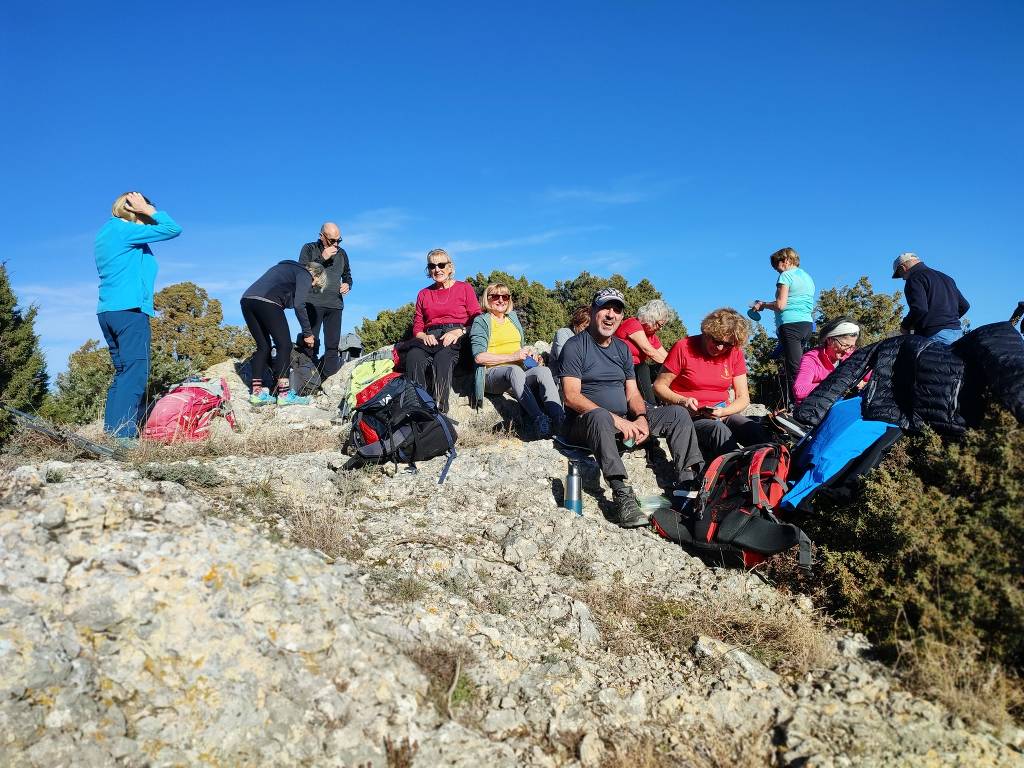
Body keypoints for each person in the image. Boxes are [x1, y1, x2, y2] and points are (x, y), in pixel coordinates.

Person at [560, 288, 704, 528]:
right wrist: (618, 421)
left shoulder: (622, 348)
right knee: (599, 416)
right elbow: (571, 396)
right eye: (605, 308)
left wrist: (640, 417)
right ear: (593, 310)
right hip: (585, 425)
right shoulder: (576, 346)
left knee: (677, 413)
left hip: (624, 420)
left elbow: (633, 392)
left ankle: (687, 484)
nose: (610, 315)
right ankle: (621, 494)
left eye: (617, 310)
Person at [94, 191, 182, 440]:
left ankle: (113, 433)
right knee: (135, 373)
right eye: (142, 211)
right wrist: (148, 210)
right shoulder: (125, 231)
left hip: (109, 311)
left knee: (123, 372)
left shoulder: (107, 232)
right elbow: (173, 228)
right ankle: (124, 438)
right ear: (133, 209)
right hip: (129, 310)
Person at [654, 308, 770, 459]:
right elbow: (659, 386)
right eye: (716, 341)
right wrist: (683, 401)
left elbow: (743, 397)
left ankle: (772, 469)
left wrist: (723, 412)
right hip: (690, 416)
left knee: (753, 429)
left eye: (728, 344)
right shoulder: (683, 347)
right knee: (718, 430)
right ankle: (734, 472)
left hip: (721, 412)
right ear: (706, 332)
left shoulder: (735, 354)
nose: (720, 348)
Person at [470, 283, 564, 438]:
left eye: (505, 296)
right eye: (495, 296)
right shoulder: (481, 321)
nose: (501, 300)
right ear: (487, 299)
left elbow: (518, 347)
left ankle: (560, 419)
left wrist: (530, 355)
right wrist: (513, 357)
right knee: (513, 370)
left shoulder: (512, 318)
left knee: (543, 371)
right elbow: (479, 357)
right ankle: (539, 419)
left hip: (519, 373)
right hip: (492, 376)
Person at [404, 249, 481, 413]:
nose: (437, 269)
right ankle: (417, 406)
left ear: (450, 267)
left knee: (442, 357)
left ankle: (439, 409)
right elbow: (417, 325)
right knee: (413, 356)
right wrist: (424, 336)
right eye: (432, 266)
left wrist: (459, 331)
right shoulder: (423, 294)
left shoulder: (464, 288)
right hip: (431, 337)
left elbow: (477, 319)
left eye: (441, 264)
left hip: (458, 335)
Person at [241, 260, 327, 406]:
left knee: (263, 347)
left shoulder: (285, 268)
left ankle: (256, 393)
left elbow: (283, 293)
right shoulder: (305, 274)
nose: (312, 286)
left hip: (247, 300)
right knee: (285, 346)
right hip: (268, 302)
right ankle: (284, 394)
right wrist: (307, 333)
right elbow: (299, 305)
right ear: (315, 275)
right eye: (316, 284)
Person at [751, 247, 816, 401]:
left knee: (794, 369)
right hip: (806, 325)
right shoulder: (807, 277)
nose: (777, 270)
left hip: (790, 324)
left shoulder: (786, 276)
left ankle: (798, 406)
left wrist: (763, 305)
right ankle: (800, 402)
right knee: (800, 365)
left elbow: (781, 305)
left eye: (777, 266)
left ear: (786, 261)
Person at [298, 222, 353, 378]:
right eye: (332, 241)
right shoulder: (309, 248)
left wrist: (348, 284)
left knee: (332, 346)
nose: (336, 244)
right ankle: (306, 380)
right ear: (321, 236)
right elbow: (302, 272)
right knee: (310, 344)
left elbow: (347, 274)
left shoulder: (342, 253)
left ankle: (328, 381)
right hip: (313, 303)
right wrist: (322, 258)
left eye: (339, 240)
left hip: (335, 305)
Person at [892, 252, 970, 345]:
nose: (903, 279)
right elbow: (964, 306)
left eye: (901, 275)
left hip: (935, 336)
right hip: (957, 334)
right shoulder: (946, 278)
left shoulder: (914, 278)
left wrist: (905, 326)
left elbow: (919, 309)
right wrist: (947, 320)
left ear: (903, 268)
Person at [614, 299, 675, 404]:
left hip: (635, 369)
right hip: (621, 366)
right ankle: (651, 406)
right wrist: (673, 368)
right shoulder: (633, 324)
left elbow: (667, 358)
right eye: (659, 325)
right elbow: (650, 351)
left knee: (664, 370)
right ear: (650, 318)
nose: (660, 329)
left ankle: (668, 401)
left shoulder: (651, 336)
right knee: (643, 367)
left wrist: (679, 371)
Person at [792, 318, 861, 404]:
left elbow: (870, 375)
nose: (847, 351)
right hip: (814, 411)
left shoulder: (849, 356)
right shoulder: (812, 359)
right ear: (830, 340)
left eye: (852, 347)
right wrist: (836, 385)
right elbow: (799, 390)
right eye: (845, 345)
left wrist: (863, 383)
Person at [550, 306, 590, 379]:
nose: (587, 331)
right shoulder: (563, 333)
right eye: (584, 327)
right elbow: (565, 361)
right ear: (575, 323)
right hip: (561, 378)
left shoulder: (589, 338)